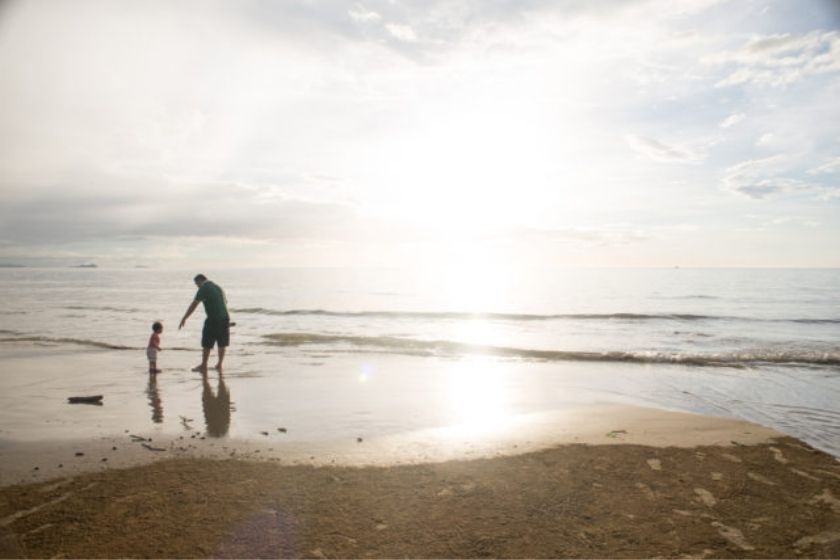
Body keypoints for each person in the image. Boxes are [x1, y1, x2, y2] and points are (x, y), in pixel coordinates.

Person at [179, 274, 230, 372]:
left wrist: (184, 318)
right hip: (225, 318)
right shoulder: (218, 287)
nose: (197, 286)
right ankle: (219, 365)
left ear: (200, 281)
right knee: (222, 343)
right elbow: (225, 303)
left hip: (213, 319)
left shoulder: (204, 288)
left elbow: (194, 305)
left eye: (196, 284)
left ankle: (204, 365)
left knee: (207, 343)